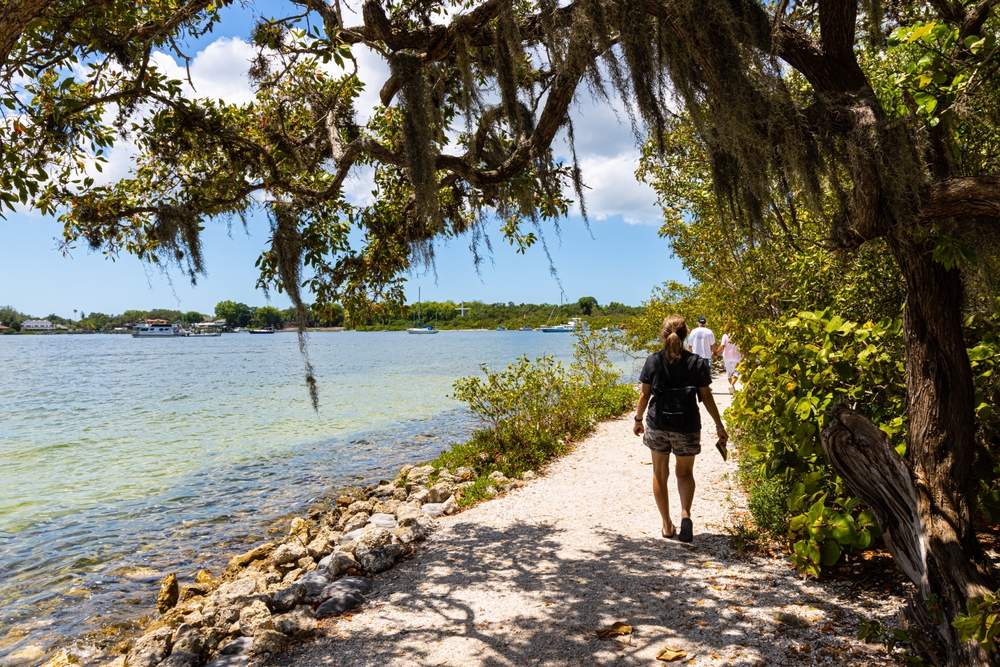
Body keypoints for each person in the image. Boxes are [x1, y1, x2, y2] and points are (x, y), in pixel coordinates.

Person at [633, 315, 728, 543]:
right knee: (684, 473)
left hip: (658, 424)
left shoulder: (653, 360)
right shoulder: (695, 362)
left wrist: (638, 419)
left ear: (662, 333)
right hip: (687, 425)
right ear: (686, 334)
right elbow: (705, 397)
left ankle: (667, 525)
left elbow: (645, 394)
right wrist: (719, 424)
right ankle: (685, 514)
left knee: (659, 473)